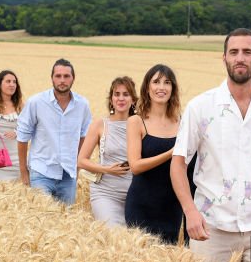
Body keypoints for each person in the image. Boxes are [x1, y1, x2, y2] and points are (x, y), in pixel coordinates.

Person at [171, 28, 251, 262]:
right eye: (234, 52)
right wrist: (190, 212)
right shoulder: (200, 107)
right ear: (224, 58)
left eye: (247, 52)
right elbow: (178, 163)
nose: (240, 58)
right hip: (210, 227)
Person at [16, 58, 92, 205]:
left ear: (73, 78)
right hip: (41, 172)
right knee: (41, 218)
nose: (62, 80)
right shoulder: (36, 102)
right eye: (58, 76)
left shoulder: (82, 105)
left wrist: (77, 165)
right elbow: (22, 137)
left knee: (65, 221)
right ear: (52, 78)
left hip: (68, 175)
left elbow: (84, 136)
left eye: (66, 76)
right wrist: (24, 172)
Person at [125, 66, 183, 242]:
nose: (161, 87)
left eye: (167, 83)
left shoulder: (181, 121)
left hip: (171, 205)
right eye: (156, 82)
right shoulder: (136, 121)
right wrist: (172, 152)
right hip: (142, 204)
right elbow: (135, 166)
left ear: (172, 89)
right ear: (147, 88)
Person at [79, 76, 135, 225]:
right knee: (114, 235)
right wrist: (107, 169)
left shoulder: (140, 125)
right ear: (111, 99)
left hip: (135, 195)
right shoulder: (100, 124)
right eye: (117, 94)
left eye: (126, 94)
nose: (121, 98)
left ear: (133, 99)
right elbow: (81, 160)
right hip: (106, 193)